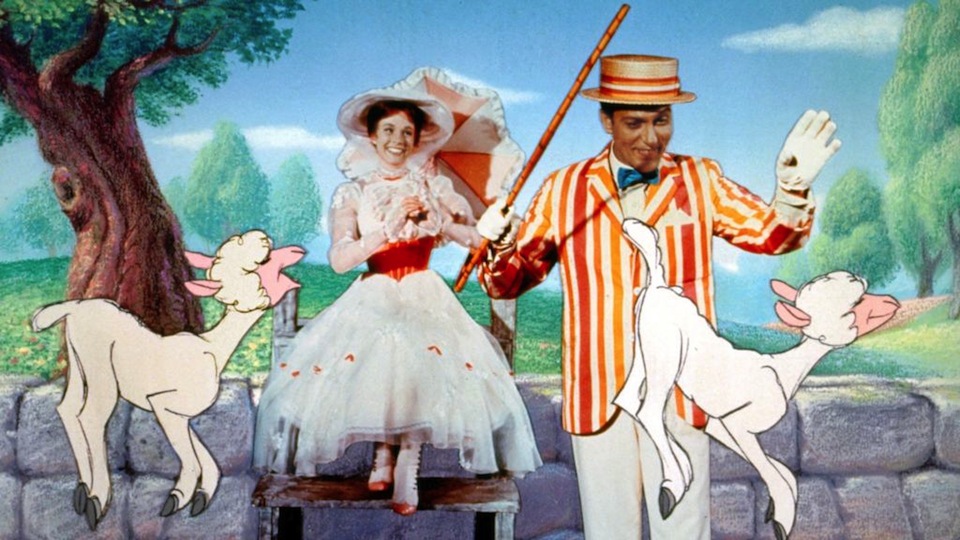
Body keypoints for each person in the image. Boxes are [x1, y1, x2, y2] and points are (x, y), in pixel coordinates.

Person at [476, 54, 841, 539]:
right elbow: (508, 282)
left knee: (683, 532)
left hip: (683, 390)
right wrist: (501, 244)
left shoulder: (701, 180)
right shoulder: (563, 190)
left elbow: (772, 236)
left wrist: (792, 190)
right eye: (634, 123)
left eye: (661, 120)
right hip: (601, 392)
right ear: (606, 121)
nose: (651, 137)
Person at [254, 82, 541, 516]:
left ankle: (408, 459)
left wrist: (463, 224)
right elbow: (339, 260)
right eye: (388, 130)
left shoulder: (434, 188)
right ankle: (382, 455)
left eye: (407, 132)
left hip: (424, 290)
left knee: (417, 354)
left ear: (418, 139)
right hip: (377, 286)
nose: (397, 140)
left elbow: (473, 240)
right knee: (383, 354)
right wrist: (386, 230)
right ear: (372, 136)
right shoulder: (353, 192)